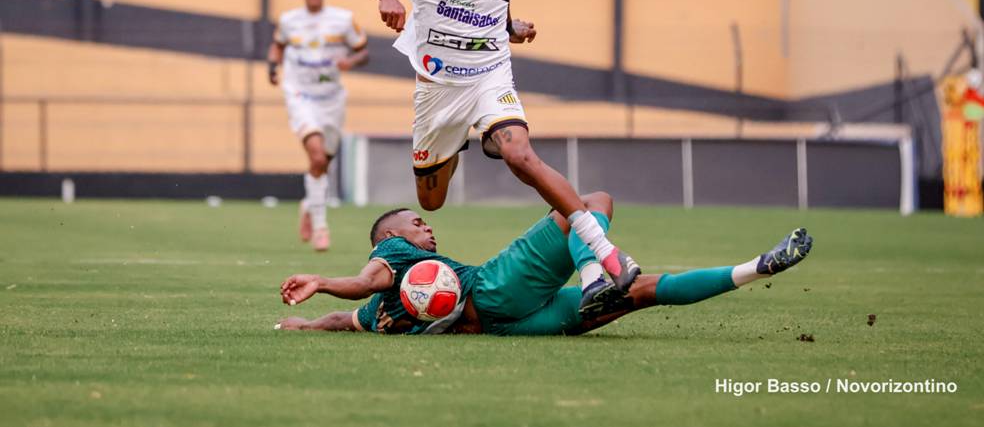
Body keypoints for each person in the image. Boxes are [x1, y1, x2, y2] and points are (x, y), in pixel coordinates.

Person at [350, 0, 640, 306]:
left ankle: (603, 252)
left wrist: (510, 27)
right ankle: (471, 141)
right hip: (438, 87)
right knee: (430, 202)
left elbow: (484, 2)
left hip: (489, 74)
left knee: (520, 155)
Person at [275, 192, 814, 335]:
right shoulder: (391, 255)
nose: (427, 229)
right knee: (580, 207)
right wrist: (321, 281)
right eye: (417, 223)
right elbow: (367, 281)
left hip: (513, 326)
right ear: (390, 237)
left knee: (645, 290)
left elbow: (348, 319)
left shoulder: (382, 315)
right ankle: (593, 276)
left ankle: (754, 268)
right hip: (494, 292)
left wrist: (303, 323)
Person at [268, 0, 369, 251]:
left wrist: (349, 60)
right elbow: (278, 45)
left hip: (332, 99)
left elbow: (363, 51)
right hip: (300, 95)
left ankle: (309, 205)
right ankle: (321, 227)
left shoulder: (343, 19)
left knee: (323, 161)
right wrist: (272, 67)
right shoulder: (289, 21)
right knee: (315, 156)